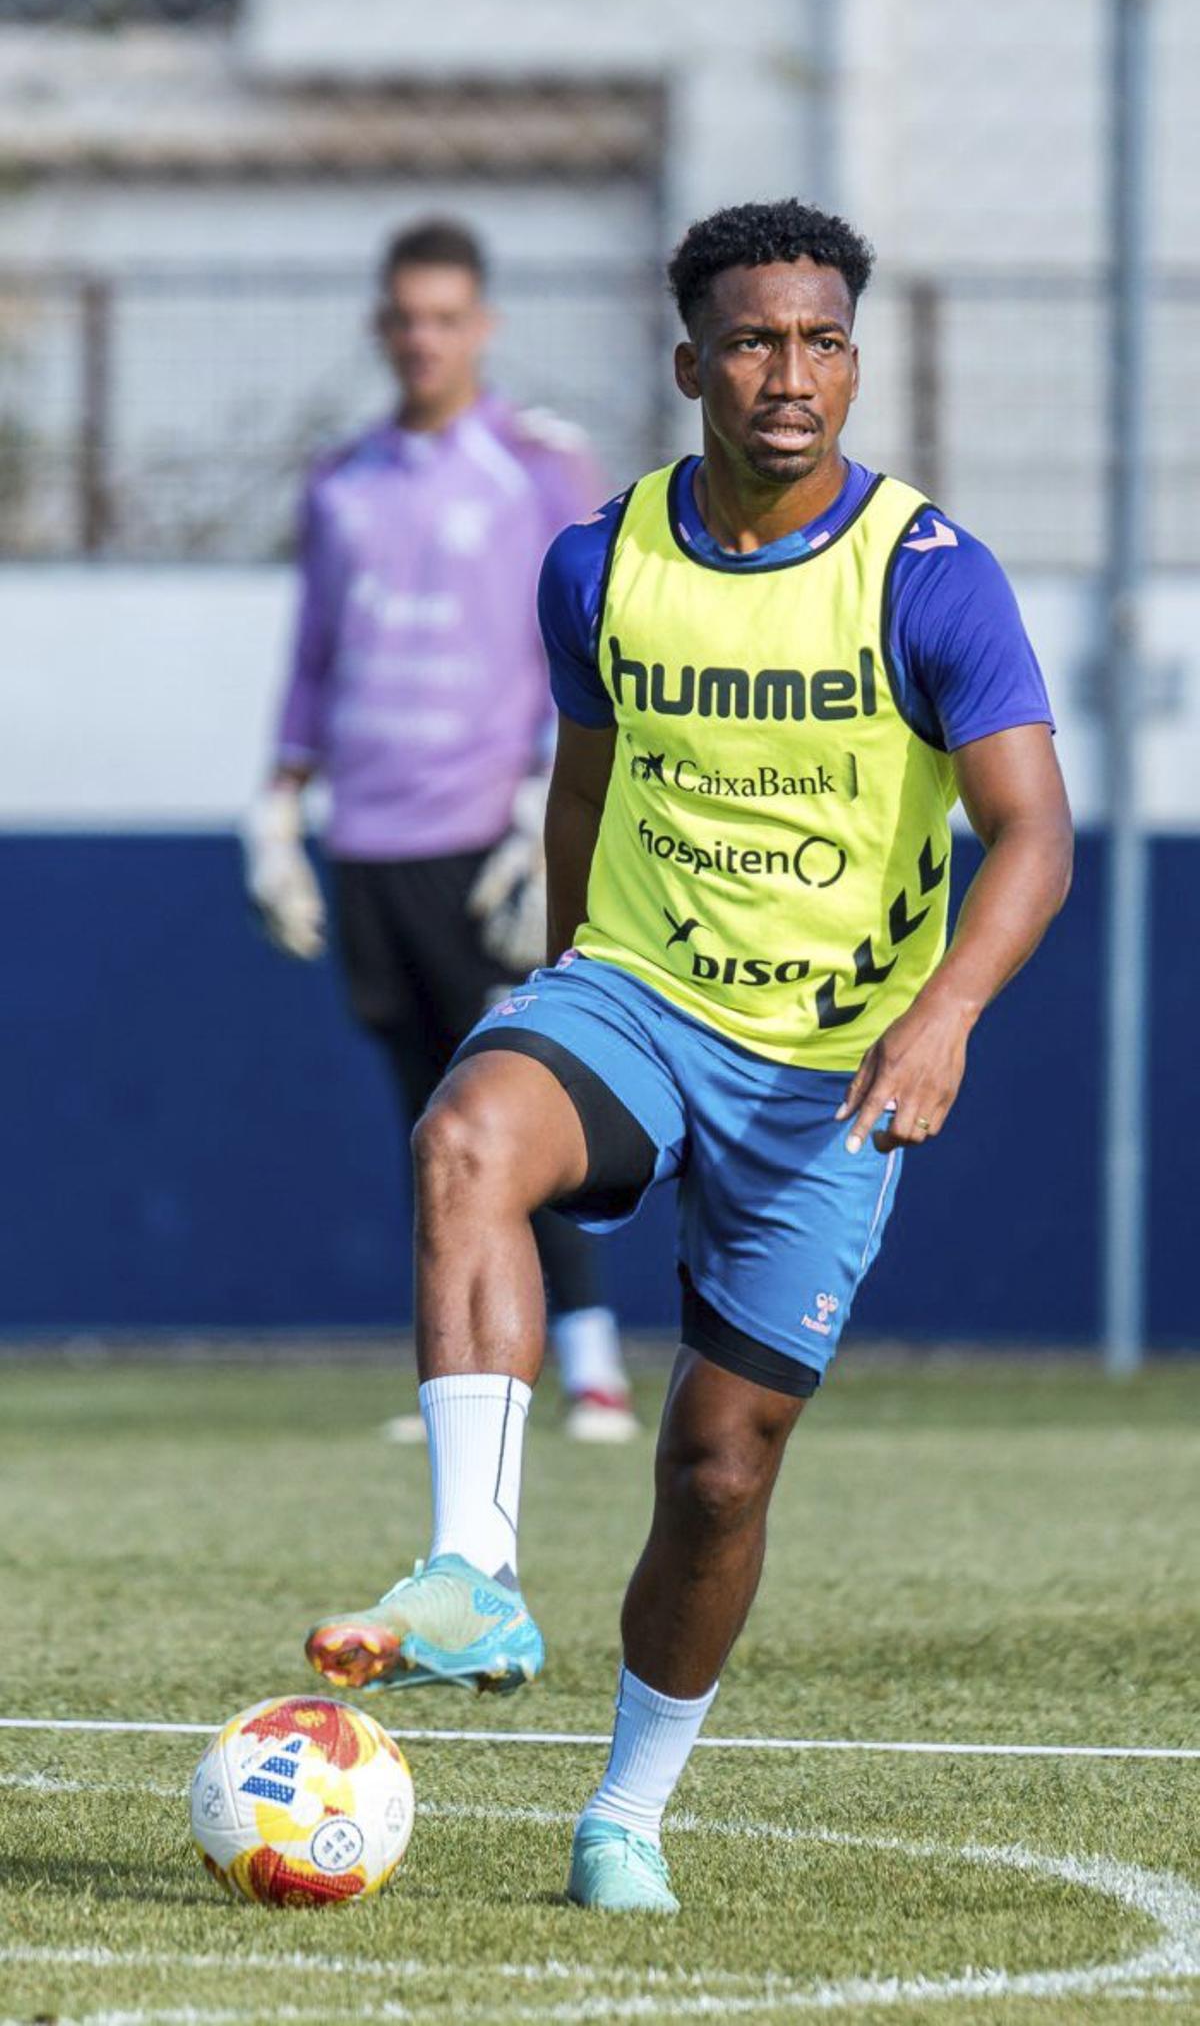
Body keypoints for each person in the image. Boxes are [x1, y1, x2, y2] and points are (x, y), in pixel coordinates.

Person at [303, 200, 1073, 1911]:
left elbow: (1033, 832)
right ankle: (474, 1566)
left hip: (833, 1069)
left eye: (821, 341)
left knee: (717, 1466)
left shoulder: (929, 579)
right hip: (640, 991)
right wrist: (563, 975)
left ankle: (626, 1811)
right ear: (690, 362)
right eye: (753, 340)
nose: (790, 374)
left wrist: (940, 1013)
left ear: (852, 361)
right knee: (462, 1140)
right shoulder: (598, 561)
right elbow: (586, 773)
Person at [243, 216, 637, 1443]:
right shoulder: (342, 479)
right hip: (370, 838)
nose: (424, 338)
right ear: (382, 326)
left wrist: (543, 807)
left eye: (446, 316)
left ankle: (592, 1365)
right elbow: (314, 656)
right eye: (405, 317)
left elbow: (589, 639)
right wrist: (276, 805)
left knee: (517, 1105)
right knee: (424, 1116)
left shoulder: (537, 465)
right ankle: (458, 1370)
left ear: (484, 325)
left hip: (490, 841)